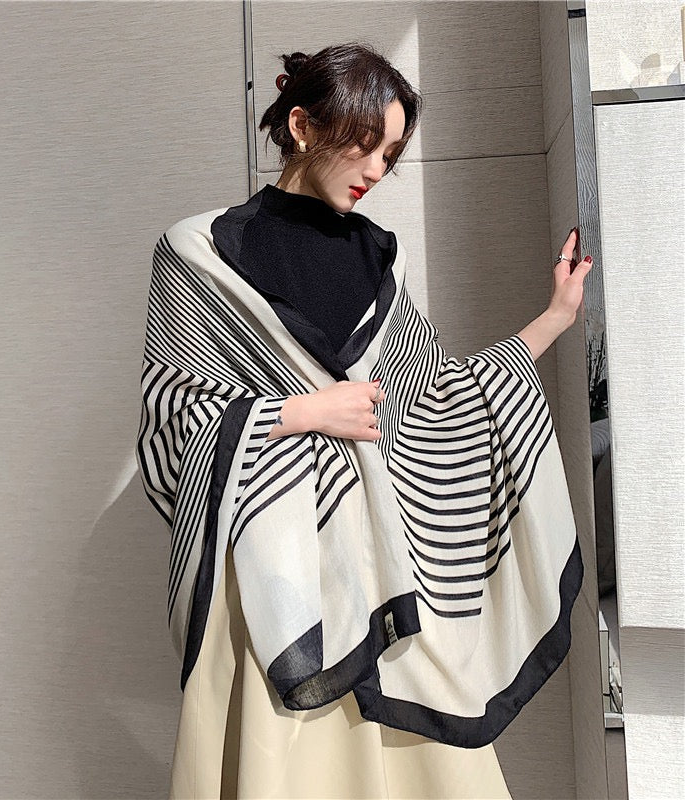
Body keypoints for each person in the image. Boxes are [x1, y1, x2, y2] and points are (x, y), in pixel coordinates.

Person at [136, 42, 591, 800]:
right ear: (303, 126)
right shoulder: (198, 250)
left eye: (392, 154)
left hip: (385, 563)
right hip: (273, 571)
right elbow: (171, 422)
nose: (378, 169)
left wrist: (553, 320)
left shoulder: (382, 256)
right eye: (366, 144)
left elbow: (433, 397)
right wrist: (302, 411)